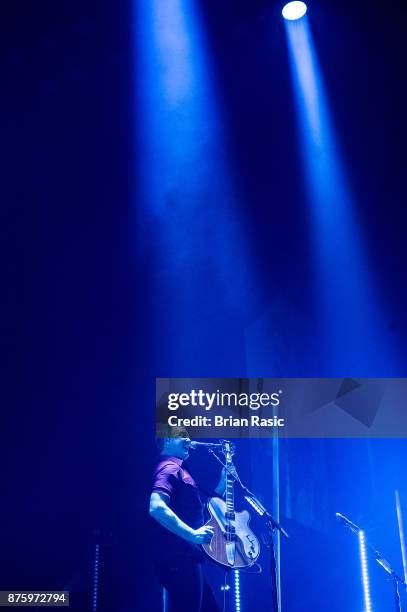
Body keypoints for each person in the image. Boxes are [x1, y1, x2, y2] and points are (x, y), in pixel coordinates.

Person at [149, 428, 225, 612]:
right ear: (167, 440)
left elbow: (198, 513)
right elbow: (156, 507)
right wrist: (193, 535)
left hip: (187, 558)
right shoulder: (170, 468)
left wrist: (223, 483)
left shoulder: (181, 471)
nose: (189, 439)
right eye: (182, 435)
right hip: (181, 558)